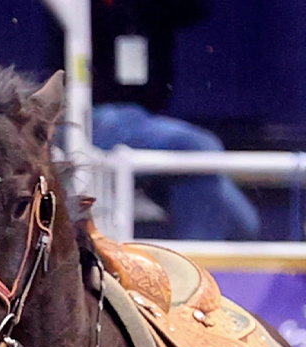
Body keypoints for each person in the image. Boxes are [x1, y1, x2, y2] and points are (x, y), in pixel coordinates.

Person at [90, 0, 259, 240]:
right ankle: (194, 265)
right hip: (92, 116)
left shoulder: (153, 9)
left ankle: (202, 258)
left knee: (245, 223)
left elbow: (193, 11)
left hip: (146, 116)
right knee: (197, 146)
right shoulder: (85, 9)